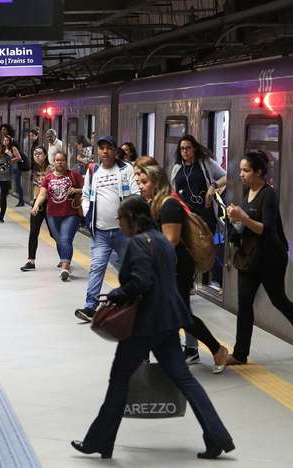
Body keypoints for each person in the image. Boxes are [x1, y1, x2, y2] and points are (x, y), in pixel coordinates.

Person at [71, 196, 234, 460]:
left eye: (121, 219)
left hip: (144, 325)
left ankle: (100, 440)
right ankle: (217, 437)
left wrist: (117, 293)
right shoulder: (162, 240)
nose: (119, 224)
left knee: (119, 380)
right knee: (186, 380)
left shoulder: (137, 243)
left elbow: (142, 281)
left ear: (132, 219)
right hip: (169, 320)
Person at [134, 160, 230, 372]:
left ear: (156, 182)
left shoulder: (169, 205)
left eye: (144, 182)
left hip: (175, 267)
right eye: (138, 181)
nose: (140, 186)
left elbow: (170, 241)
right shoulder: (155, 203)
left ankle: (215, 350)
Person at [225, 151, 293, 364]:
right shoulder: (248, 192)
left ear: (259, 172)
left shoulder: (269, 195)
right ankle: (240, 354)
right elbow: (247, 225)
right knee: (244, 305)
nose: (242, 175)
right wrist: (235, 220)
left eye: (246, 170)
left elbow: (268, 230)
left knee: (279, 300)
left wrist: (243, 219)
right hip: (249, 258)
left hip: (270, 258)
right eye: (241, 171)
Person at [75, 136, 139, 321]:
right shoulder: (93, 170)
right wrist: (88, 215)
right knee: (96, 267)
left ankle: (135, 303)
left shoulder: (126, 169)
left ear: (115, 150)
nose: (105, 151)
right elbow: (86, 195)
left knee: (128, 267)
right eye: (101, 148)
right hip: (100, 231)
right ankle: (90, 306)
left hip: (123, 231)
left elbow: (136, 193)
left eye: (108, 148)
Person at [32, 152, 83, 281]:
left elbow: (87, 189)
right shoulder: (48, 178)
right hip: (52, 215)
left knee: (66, 239)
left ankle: (65, 267)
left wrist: (76, 190)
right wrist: (36, 205)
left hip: (71, 214)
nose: (59, 162)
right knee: (59, 240)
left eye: (62, 160)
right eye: (57, 160)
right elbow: (43, 194)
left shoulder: (74, 175)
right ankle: (64, 260)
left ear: (66, 162)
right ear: (53, 162)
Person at [170, 135, 227, 233]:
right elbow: (173, 190)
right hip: (184, 215)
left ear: (194, 148)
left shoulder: (206, 163)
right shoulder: (177, 167)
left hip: (204, 214)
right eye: (182, 148)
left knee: (203, 245)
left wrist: (213, 186)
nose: (185, 151)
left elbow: (226, 177)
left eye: (188, 148)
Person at [21, 146, 53, 272]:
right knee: (33, 231)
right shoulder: (32, 169)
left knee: (53, 233)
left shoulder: (52, 169)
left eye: (40, 153)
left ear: (45, 155)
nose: (37, 156)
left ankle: (65, 258)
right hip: (37, 203)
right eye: (35, 154)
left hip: (51, 203)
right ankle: (31, 261)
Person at [2, 135, 25, 207]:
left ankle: (21, 201)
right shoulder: (3, 148)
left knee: (18, 185)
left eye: (7, 140)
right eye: (4, 140)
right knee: (5, 183)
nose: (5, 142)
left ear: (10, 141)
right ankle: (1, 200)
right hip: (8, 168)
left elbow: (19, 157)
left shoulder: (13, 148)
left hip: (16, 168)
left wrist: (10, 160)